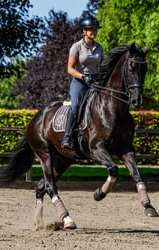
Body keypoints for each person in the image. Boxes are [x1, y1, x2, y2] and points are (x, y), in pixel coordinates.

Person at [61, 16, 104, 150]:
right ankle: (67, 137)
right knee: (75, 106)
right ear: (84, 31)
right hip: (80, 81)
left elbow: (102, 66)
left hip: (95, 81)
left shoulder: (99, 47)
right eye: (91, 29)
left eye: (95, 29)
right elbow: (70, 69)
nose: (94, 32)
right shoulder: (76, 47)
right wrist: (83, 76)